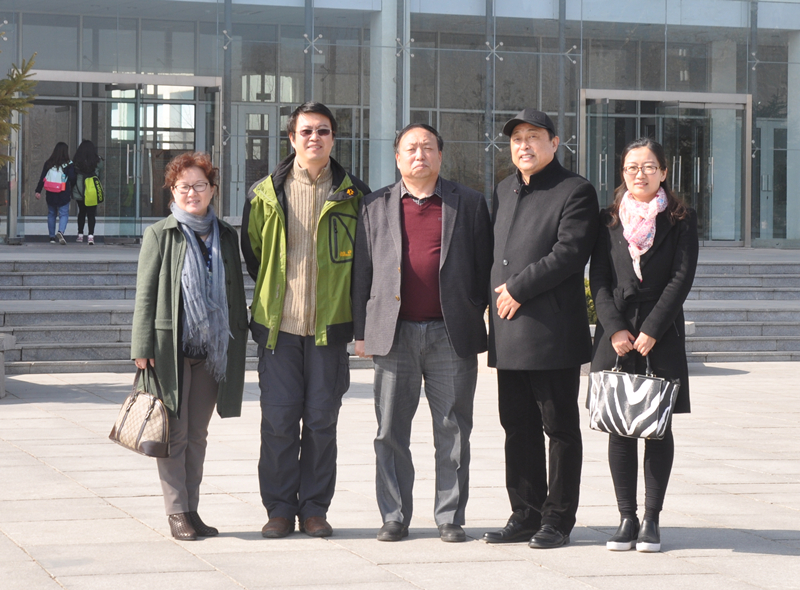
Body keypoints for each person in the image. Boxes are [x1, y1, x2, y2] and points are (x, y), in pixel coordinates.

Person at [352, 124, 493, 543]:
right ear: (397, 158)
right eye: (410, 148)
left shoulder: (468, 203)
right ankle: (394, 516)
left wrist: (474, 313)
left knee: (453, 431)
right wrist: (361, 331)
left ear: (440, 156)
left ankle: (450, 516)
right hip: (393, 334)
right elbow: (362, 273)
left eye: (428, 147)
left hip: (451, 334)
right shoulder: (374, 205)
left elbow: (484, 266)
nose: (420, 155)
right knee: (390, 431)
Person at [241, 102, 370, 539]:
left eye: (323, 131)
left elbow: (364, 264)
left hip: (328, 331)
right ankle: (279, 509)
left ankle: (314, 509)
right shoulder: (264, 194)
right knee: (278, 423)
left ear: (334, 138)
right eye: (306, 131)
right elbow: (254, 256)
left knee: (320, 422)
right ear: (292, 138)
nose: (315, 138)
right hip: (279, 329)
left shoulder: (355, 195)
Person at [483, 109, 599, 549]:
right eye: (516, 139)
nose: (523, 145)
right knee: (517, 426)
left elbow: (569, 253)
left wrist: (517, 287)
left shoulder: (575, 190)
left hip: (551, 331)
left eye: (533, 136)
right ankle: (525, 513)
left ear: (554, 142)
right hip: (508, 329)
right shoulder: (503, 189)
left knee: (560, 428)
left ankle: (558, 519)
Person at [130, 151, 248, 541]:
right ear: (172, 191)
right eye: (184, 186)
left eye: (200, 185)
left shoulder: (226, 235)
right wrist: (141, 345)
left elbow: (234, 291)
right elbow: (146, 294)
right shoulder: (160, 234)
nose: (192, 193)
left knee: (198, 435)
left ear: (213, 190)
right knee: (174, 435)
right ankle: (176, 510)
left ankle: (192, 510)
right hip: (170, 349)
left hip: (212, 350)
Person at [589, 137, 698, 553]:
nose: (640, 173)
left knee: (656, 427)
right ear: (623, 173)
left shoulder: (681, 218)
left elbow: (681, 277)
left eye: (649, 166)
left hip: (661, 334)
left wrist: (653, 327)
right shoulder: (608, 219)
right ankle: (626, 518)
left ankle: (651, 519)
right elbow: (599, 278)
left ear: (664, 172)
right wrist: (615, 328)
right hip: (616, 336)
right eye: (632, 167)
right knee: (620, 427)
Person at [35, 142, 76, 244]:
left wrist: (38, 191)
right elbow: (72, 178)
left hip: (50, 192)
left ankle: (52, 237)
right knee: (64, 214)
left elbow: (42, 178)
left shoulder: (48, 163)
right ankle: (60, 231)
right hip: (63, 192)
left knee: (51, 214)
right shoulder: (69, 164)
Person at [72, 139, 104, 245]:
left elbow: (73, 176)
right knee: (91, 213)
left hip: (79, 190)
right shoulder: (98, 162)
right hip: (92, 190)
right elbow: (100, 176)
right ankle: (91, 236)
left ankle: (80, 234)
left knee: (81, 212)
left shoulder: (76, 161)